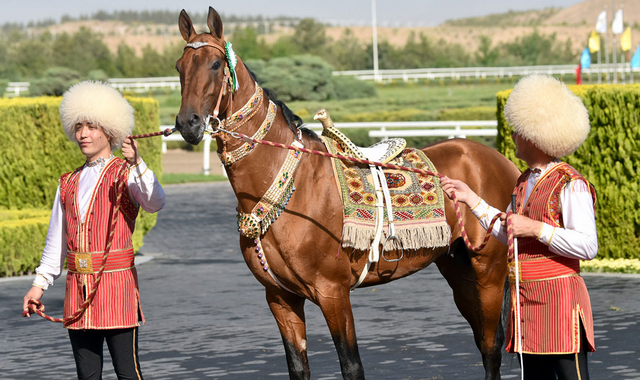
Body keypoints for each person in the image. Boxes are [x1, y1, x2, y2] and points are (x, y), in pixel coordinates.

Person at [441, 74, 597, 380]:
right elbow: (507, 230)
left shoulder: (571, 183)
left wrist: (537, 229)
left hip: (560, 300)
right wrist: (470, 198)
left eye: (518, 130)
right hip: (525, 301)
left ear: (534, 135)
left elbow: (588, 246)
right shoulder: (524, 182)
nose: (513, 135)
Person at [22, 81, 165, 380]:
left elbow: (155, 202)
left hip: (118, 289)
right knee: (87, 376)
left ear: (110, 130)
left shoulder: (127, 173)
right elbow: (56, 243)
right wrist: (38, 285)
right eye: (78, 127)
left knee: (128, 373)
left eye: (91, 126)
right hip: (77, 292)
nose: (83, 134)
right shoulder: (67, 183)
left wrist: (138, 163)